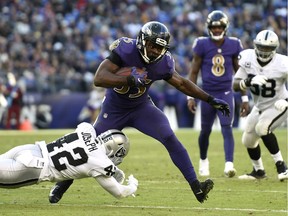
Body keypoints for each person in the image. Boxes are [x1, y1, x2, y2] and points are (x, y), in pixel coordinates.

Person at [49, 21, 230, 204]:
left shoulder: (164, 62)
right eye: (153, 46)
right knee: (88, 147)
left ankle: (196, 187)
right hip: (114, 110)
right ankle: (61, 186)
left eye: (160, 48)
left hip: (141, 107)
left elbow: (182, 83)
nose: (156, 52)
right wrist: (128, 78)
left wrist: (210, 99)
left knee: (169, 136)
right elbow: (99, 78)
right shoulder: (126, 50)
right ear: (143, 41)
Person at [0, 122, 139, 200]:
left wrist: (112, 170)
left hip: (30, 149)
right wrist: (133, 186)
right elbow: (119, 192)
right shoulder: (102, 163)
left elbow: (88, 150)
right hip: (32, 167)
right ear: (113, 149)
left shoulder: (87, 129)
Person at [187, 10, 249, 178]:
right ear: (209, 28)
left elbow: (240, 73)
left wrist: (244, 98)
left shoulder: (234, 44)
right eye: (214, 27)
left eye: (219, 27)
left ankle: (229, 164)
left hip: (226, 92)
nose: (216, 30)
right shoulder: (201, 44)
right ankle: (203, 161)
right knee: (205, 130)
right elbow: (193, 72)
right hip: (206, 94)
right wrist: (190, 96)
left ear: (225, 27)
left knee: (226, 128)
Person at [233, 29, 288, 181]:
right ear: (255, 45)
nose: (264, 51)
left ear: (275, 49)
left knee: (262, 128)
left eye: (268, 48)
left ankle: (282, 167)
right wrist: (248, 81)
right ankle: (258, 172)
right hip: (260, 106)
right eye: (261, 47)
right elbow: (235, 85)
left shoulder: (283, 63)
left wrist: (286, 102)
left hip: (279, 104)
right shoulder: (247, 57)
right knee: (248, 140)